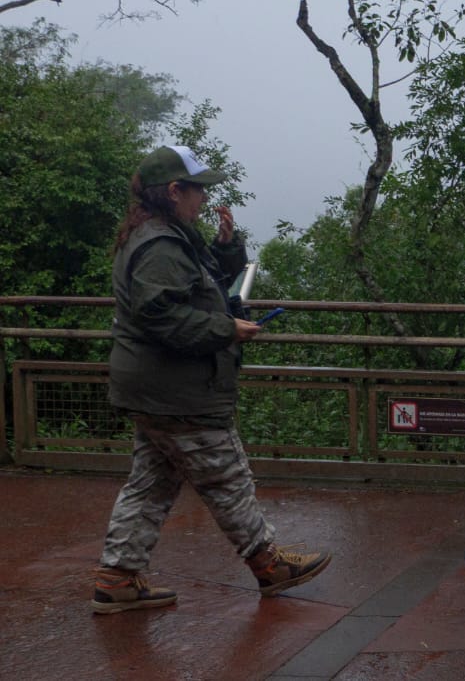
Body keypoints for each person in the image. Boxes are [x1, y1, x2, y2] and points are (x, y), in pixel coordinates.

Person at [93, 146, 331, 614]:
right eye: (198, 189)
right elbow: (161, 315)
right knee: (226, 475)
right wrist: (226, 329)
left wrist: (225, 249)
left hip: (155, 390)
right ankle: (268, 564)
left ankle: (117, 578)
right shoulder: (160, 245)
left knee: (151, 485)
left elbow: (199, 290)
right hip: (177, 391)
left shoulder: (165, 236)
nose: (204, 198)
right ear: (174, 191)